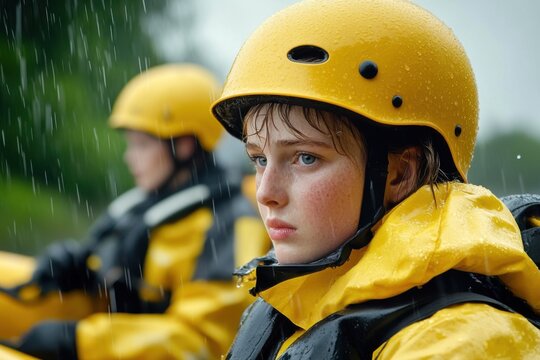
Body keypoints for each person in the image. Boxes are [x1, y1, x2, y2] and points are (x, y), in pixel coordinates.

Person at [211, 0, 540, 358]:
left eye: (306, 158)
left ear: (399, 173)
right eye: (259, 159)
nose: (266, 192)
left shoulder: (459, 342)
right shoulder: (299, 302)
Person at [0, 64, 268, 359]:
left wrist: (78, 341)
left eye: (141, 145)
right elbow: (122, 298)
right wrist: (80, 276)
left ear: (184, 146)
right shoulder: (149, 208)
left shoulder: (230, 224)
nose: (129, 158)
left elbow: (204, 341)